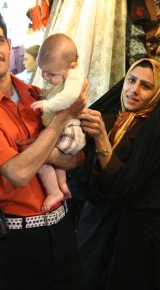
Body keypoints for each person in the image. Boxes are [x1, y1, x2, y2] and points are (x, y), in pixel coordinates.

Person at [0, 5, 88, 290]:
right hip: (16, 245)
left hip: (63, 232)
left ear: (8, 44)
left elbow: (77, 159)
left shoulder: (38, 94)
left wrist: (48, 152)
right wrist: (61, 121)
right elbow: (18, 173)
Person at [68, 58, 160, 290]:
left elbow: (125, 185)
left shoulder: (152, 135)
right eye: (131, 80)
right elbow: (82, 175)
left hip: (129, 235)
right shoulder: (106, 118)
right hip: (94, 224)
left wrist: (101, 139)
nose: (134, 91)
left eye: (146, 86)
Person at [31, 33, 86, 213]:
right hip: (66, 130)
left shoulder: (75, 75)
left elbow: (70, 98)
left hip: (70, 132)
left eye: (51, 74)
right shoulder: (63, 73)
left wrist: (47, 104)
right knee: (55, 162)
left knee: (39, 160)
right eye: (43, 72)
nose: (46, 77)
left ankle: (53, 191)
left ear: (73, 65)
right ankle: (62, 187)